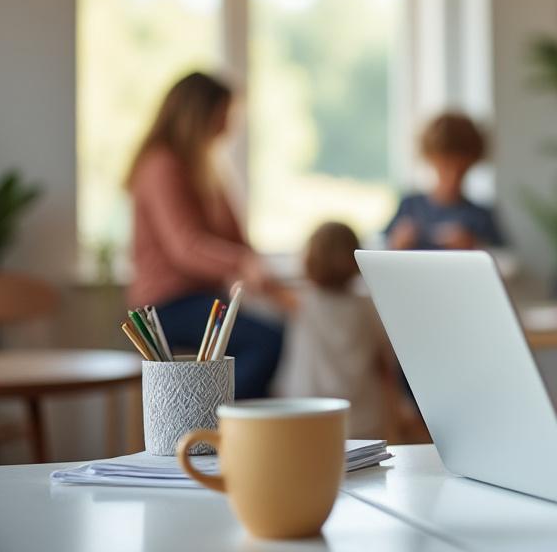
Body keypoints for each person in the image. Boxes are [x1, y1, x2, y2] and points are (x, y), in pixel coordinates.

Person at [125, 72, 283, 398]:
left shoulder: (205, 167)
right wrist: (243, 262)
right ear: (201, 114)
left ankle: (236, 432)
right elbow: (186, 247)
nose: (229, 125)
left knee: (270, 338)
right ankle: (210, 424)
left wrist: (254, 266)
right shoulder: (162, 166)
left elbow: (236, 241)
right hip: (165, 307)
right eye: (224, 114)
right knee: (266, 340)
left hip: (202, 301)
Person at [274, 221, 395, 439]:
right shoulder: (368, 307)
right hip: (363, 422)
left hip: (307, 418)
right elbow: (384, 364)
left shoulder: (301, 303)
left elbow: (264, 287)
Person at [385, 112, 504, 251]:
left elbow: (504, 259)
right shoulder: (409, 206)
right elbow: (379, 246)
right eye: (445, 166)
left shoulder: (481, 216)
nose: (453, 176)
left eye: (461, 169)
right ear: (431, 159)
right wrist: (397, 242)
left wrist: (476, 247)